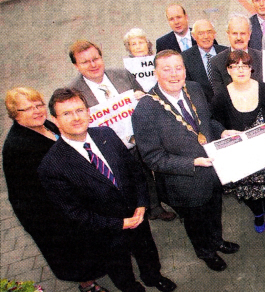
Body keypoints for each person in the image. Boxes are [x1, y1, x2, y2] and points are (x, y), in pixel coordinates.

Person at [38, 88, 177, 292]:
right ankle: (131, 287)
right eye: (66, 113)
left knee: (147, 251)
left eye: (79, 110)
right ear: (55, 119)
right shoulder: (51, 166)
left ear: (88, 112)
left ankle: (153, 276)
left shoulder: (105, 134)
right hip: (104, 233)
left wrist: (141, 204)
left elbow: (134, 171)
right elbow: (75, 214)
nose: (76, 118)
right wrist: (119, 223)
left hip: (136, 217)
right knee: (119, 267)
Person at [132, 50, 240, 272]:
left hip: (213, 172)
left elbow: (207, 122)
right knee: (195, 222)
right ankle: (206, 252)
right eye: (167, 69)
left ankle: (217, 240)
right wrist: (192, 163)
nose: (174, 74)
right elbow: (152, 157)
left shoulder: (194, 89)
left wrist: (221, 132)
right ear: (155, 73)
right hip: (184, 183)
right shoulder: (145, 109)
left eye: (178, 68)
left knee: (214, 211)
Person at [3, 87, 109, 292]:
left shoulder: (45, 125)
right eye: (28, 109)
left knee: (90, 246)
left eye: (39, 105)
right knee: (74, 255)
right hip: (53, 215)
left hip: (72, 200)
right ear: (16, 115)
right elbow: (26, 195)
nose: (37, 111)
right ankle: (88, 286)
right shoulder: (18, 148)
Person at [69, 40, 176, 222]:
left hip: (139, 138)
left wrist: (142, 97)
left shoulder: (121, 75)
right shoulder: (73, 91)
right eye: (85, 62)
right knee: (125, 181)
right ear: (76, 66)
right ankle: (132, 213)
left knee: (149, 172)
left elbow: (143, 98)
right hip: (109, 148)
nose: (93, 65)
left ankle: (156, 206)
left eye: (96, 58)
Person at [211, 50, 265, 233]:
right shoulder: (221, 96)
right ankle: (257, 214)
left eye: (245, 66)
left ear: (251, 69)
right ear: (228, 70)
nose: (240, 70)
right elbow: (213, 121)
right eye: (235, 66)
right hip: (241, 157)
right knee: (248, 192)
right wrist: (222, 131)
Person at [210, 13, 263, 95]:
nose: (238, 38)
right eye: (234, 33)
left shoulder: (262, 58)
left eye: (242, 33)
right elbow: (219, 95)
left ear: (249, 35)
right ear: (228, 35)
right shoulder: (216, 62)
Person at [181, 19, 228, 103]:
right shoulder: (185, 58)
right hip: (202, 107)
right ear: (194, 36)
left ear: (214, 34)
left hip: (228, 106)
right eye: (201, 33)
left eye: (209, 32)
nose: (206, 36)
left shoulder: (227, 53)